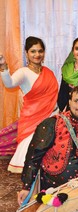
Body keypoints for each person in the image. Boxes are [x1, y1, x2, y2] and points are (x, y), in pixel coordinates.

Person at [0, 36, 58, 173]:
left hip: (52, 115)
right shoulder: (23, 72)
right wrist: (3, 66)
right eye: (33, 51)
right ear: (26, 53)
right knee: (30, 147)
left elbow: (53, 97)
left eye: (40, 51)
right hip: (32, 118)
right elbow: (9, 84)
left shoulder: (48, 72)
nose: (37, 55)